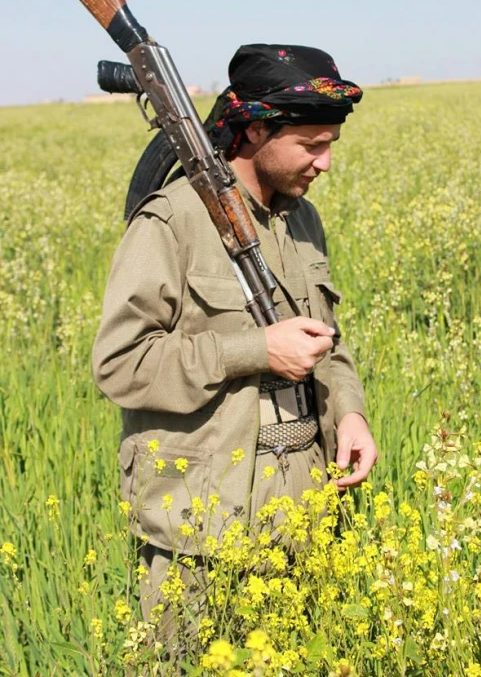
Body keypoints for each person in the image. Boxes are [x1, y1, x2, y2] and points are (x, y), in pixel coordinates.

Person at [92, 43, 378, 646]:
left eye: (330, 144)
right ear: (253, 131)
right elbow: (121, 365)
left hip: (304, 519)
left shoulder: (301, 220)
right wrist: (253, 350)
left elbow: (329, 340)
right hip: (202, 535)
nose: (325, 164)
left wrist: (349, 412)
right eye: (312, 146)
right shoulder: (171, 221)